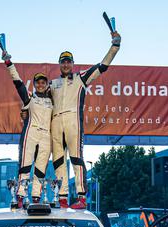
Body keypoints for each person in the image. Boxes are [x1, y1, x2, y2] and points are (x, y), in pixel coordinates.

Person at [50, 30, 121, 209]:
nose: (66, 64)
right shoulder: (52, 84)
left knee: (76, 158)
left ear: (72, 64)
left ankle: (81, 197)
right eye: (63, 62)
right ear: (59, 65)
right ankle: (62, 196)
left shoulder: (80, 77)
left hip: (74, 123)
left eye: (68, 61)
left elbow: (102, 66)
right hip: (55, 124)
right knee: (58, 161)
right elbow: (41, 104)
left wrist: (115, 46)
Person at [1, 50, 53, 206]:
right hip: (30, 133)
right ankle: (21, 195)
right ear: (35, 84)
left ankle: (36, 196)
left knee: (41, 167)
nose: (40, 84)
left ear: (47, 84)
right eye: (38, 82)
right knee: (25, 166)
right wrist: (9, 63)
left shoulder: (52, 101)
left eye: (43, 82)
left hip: (46, 136)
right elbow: (18, 83)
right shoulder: (30, 98)